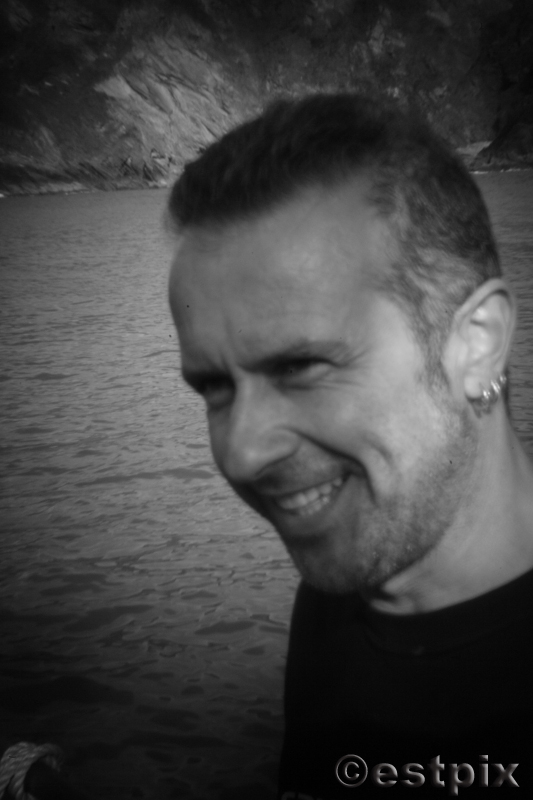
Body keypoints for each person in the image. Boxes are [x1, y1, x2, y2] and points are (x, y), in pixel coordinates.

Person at [166, 94, 533, 798]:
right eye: (214, 387)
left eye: (301, 367)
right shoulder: (341, 588)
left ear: (477, 343)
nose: (241, 454)